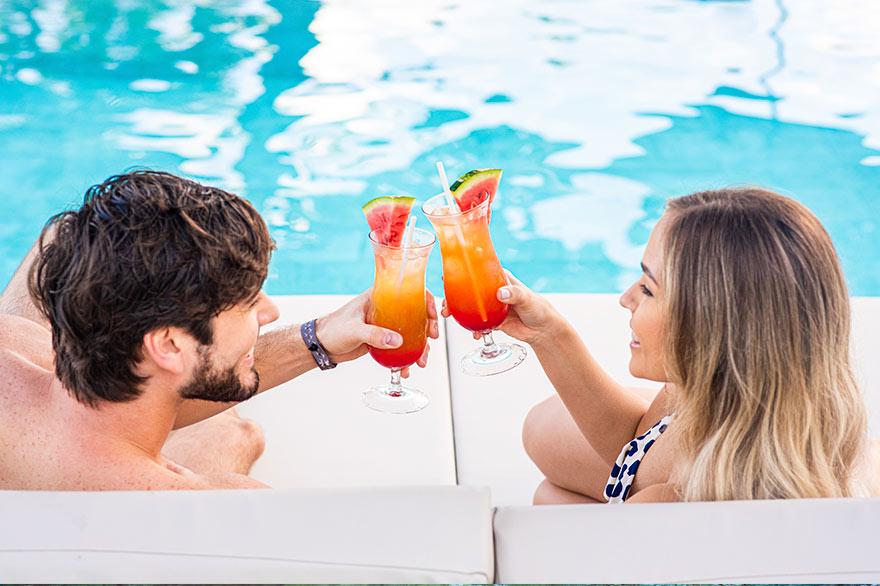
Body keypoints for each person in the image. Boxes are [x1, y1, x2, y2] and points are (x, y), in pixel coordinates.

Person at [0, 170, 438, 490]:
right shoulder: (222, 506)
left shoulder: (14, 345)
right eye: (248, 303)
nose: (270, 311)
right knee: (235, 432)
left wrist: (318, 338)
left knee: (56, 241)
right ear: (168, 344)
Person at [482, 187, 879, 503]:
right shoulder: (786, 419)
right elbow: (633, 440)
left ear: (711, 327)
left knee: (551, 503)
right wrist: (550, 334)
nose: (626, 298)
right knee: (549, 480)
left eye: (648, 289)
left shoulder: (669, 508)